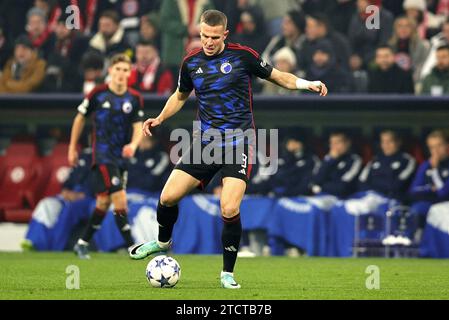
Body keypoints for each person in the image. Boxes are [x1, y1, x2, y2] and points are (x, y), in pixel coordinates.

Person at [129, 10, 327, 289]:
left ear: (224, 34)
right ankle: (162, 242)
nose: (208, 42)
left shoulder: (243, 56)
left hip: (238, 142)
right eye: (203, 36)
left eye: (213, 37)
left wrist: (307, 84)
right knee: (168, 196)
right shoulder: (191, 63)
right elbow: (180, 95)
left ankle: (227, 273)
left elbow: (278, 76)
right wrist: (160, 118)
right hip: (205, 144)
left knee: (229, 206)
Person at [68, 53, 144, 259]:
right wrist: (72, 147)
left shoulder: (134, 98)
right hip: (102, 155)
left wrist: (134, 145)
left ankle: (82, 243)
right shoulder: (98, 94)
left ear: (130, 73)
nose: (121, 74)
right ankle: (133, 247)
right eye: (117, 69)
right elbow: (79, 119)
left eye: (125, 70)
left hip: (121, 157)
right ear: (110, 71)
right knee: (120, 198)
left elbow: (138, 127)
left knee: (103, 203)